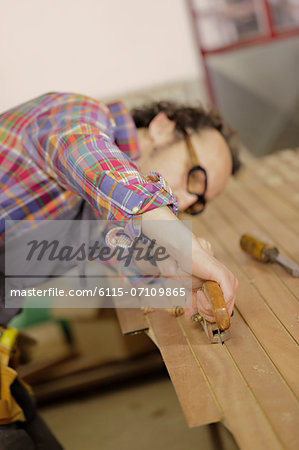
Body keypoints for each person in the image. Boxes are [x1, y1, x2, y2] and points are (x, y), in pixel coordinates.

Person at [0, 92, 240, 448]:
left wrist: (173, 273)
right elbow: (92, 161)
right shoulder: (74, 114)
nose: (188, 202)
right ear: (161, 127)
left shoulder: (104, 205)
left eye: (200, 203)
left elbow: (127, 261)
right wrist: (179, 241)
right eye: (195, 177)